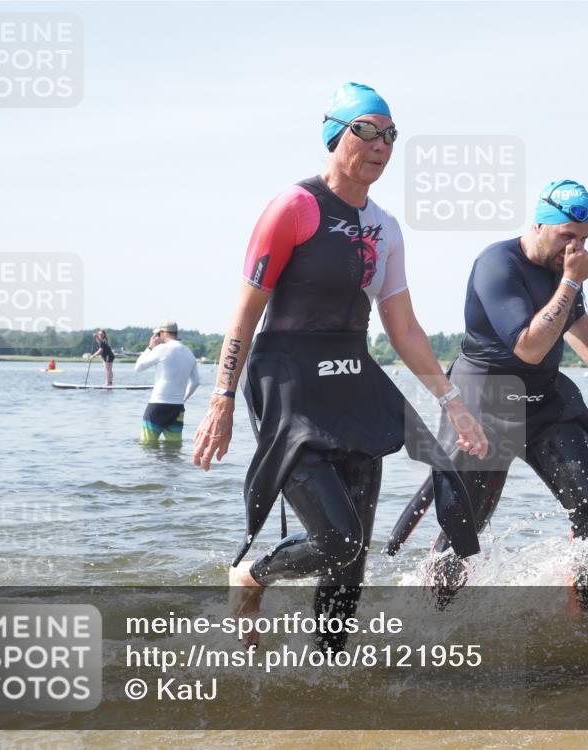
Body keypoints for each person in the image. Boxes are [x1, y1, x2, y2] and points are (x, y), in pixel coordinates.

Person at [191, 82, 488, 649]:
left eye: (391, 135)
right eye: (367, 130)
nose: (381, 144)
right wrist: (221, 397)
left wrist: (451, 400)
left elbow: (403, 328)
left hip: (352, 383)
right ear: (335, 133)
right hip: (289, 385)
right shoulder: (293, 208)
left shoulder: (387, 227)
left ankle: (326, 674)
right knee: (339, 539)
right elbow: (244, 314)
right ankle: (251, 575)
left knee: (351, 565)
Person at [387, 179, 588, 606]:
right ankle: (431, 616)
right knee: (468, 524)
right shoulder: (499, 265)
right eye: (567, 236)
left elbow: (574, 318)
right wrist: (570, 280)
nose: (575, 249)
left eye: (584, 239)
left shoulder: (563, 267)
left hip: (543, 401)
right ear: (538, 225)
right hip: (486, 400)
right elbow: (529, 347)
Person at [134, 320, 200, 445]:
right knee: (174, 448)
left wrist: (149, 348)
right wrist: (183, 399)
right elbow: (196, 382)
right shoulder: (189, 353)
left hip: (157, 405)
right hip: (177, 407)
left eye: (158, 334)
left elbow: (138, 367)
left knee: (147, 445)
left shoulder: (161, 349)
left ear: (164, 333)